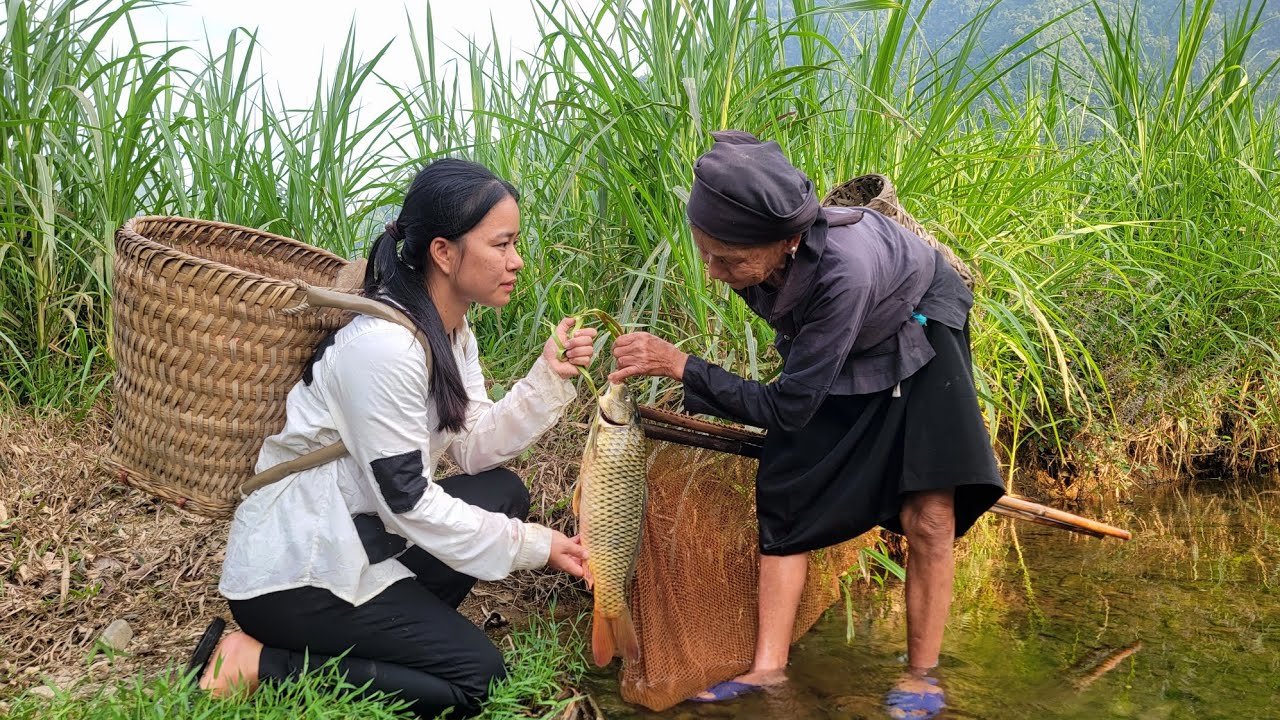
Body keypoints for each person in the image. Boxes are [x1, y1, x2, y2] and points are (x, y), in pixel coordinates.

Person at [609, 131, 1004, 718]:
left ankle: (922, 674)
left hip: (920, 324)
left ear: (790, 240)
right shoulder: (756, 255)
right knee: (788, 483)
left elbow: (788, 408)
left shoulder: (845, 272)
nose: (714, 272)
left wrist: (681, 365)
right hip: (846, 327)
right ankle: (768, 669)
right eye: (705, 253)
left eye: (731, 261)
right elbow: (795, 390)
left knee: (929, 511)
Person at [190, 159, 597, 719]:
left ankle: (393, 631)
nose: (516, 261)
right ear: (444, 253)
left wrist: (548, 376)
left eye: (515, 243)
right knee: (479, 682)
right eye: (501, 245)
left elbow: (474, 446)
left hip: (362, 536)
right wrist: (533, 546)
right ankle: (254, 663)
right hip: (297, 570)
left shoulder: (451, 332)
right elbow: (407, 501)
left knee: (501, 490)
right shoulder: (385, 348)